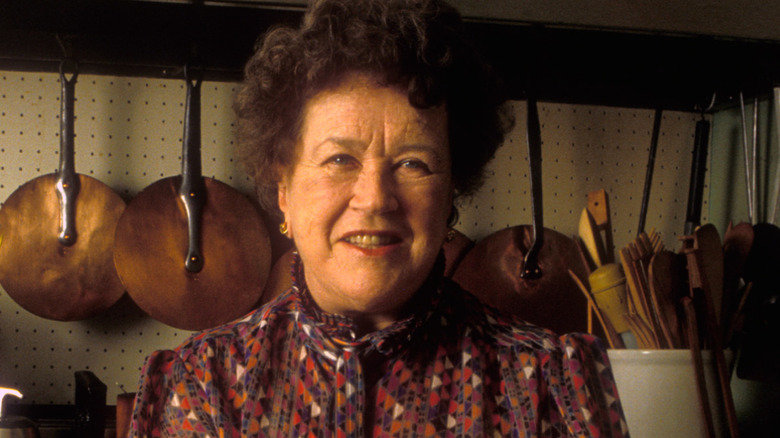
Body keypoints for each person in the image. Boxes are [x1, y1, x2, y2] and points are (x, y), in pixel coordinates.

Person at [129, 0, 629, 436]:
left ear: (451, 192)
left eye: (413, 163)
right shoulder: (203, 384)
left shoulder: (549, 384)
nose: (374, 199)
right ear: (284, 190)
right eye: (339, 160)